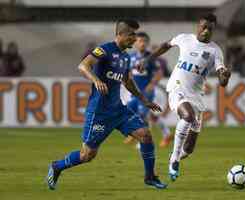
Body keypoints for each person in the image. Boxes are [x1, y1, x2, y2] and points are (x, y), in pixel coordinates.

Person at [46, 19, 167, 190]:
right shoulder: (105, 49)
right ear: (120, 34)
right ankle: (57, 166)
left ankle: (150, 177)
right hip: (99, 112)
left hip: (118, 110)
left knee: (145, 134)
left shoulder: (125, 56)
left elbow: (127, 81)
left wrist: (144, 100)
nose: (134, 38)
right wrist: (96, 80)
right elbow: (83, 65)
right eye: (131, 34)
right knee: (87, 155)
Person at [138, 13, 231, 181]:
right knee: (188, 116)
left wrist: (225, 76)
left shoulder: (215, 51)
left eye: (210, 29)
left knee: (188, 149)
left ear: (213, 30)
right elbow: (165, 46)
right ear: (198, 26)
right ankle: (174, 159)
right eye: (203, 27)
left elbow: (222, 80)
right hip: (177, 88)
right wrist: (147, 59)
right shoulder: (184, 38)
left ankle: (177, 156)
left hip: (196, 96)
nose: (205, 31)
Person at [123, 32, 172, 147]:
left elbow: (160, 72)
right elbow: (127, 71)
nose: (142, 44)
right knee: (131, 111)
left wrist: (152, 84)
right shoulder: (131, 57)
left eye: (145, 41)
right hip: (134, 92)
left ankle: (142, 141)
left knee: (143, 115)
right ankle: (166, 134)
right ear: (135, 43)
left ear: (148, 43)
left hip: (146, 92)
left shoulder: (150, 57)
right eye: (140, 41)